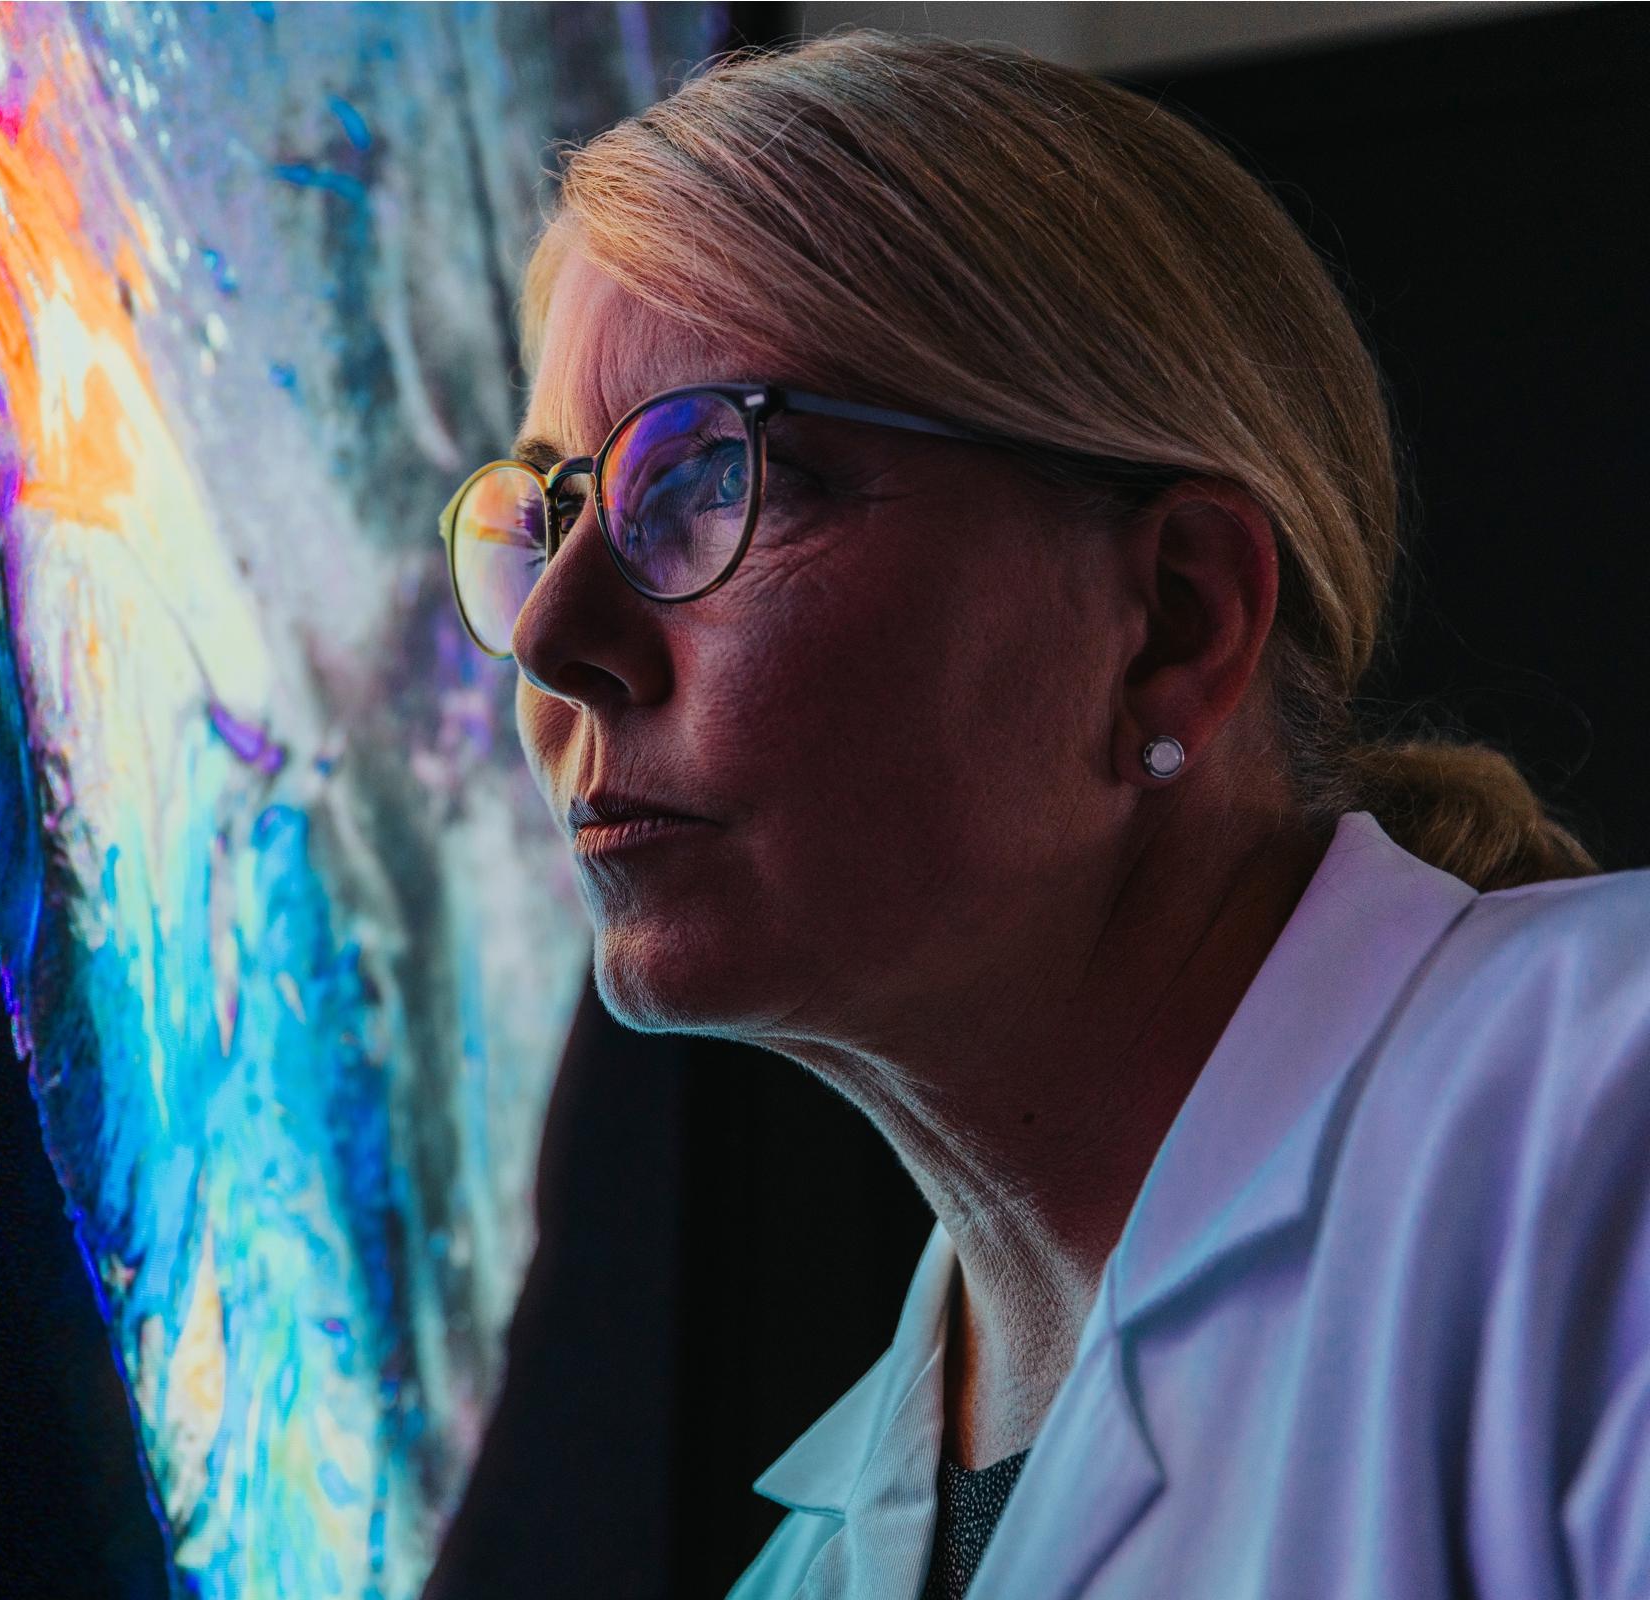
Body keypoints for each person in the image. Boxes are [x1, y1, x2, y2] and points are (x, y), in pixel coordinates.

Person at [435, 29, 1649, 1600]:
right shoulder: (811, 1569)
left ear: (1172, 622)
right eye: (552, 513)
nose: (549, 639)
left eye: (713, 482)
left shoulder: (1603, 1118)